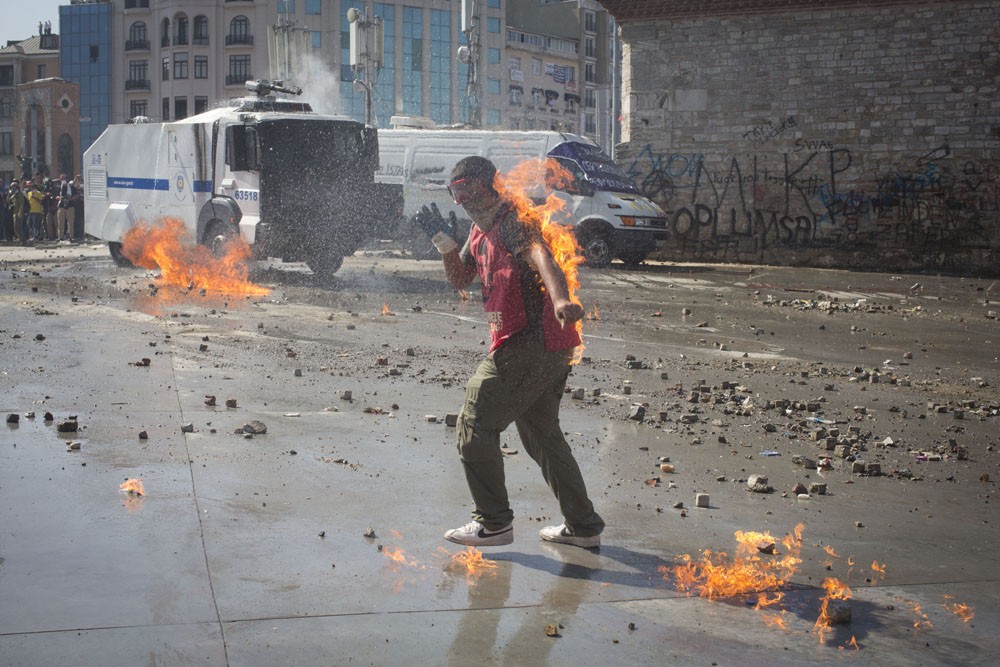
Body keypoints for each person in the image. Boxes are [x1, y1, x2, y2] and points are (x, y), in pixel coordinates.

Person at [415, 155, 604, 549]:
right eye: (458, 194)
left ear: (492, 186)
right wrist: (443, 242)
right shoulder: (478, 232)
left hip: (531, 340)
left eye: (471, 190)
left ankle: (493, 522)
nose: (466, 200)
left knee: (474, 420)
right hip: (547, 346)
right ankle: (583, 526)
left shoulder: (514, 221)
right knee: (541, 435)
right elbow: (460, 278)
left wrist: (561, 299)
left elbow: (542, 256)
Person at [6, 179, 27, 243]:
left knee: (18, 228)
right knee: (16, 228)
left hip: (19, 213)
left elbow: (22, 203)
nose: (13, 188)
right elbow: (8, 201)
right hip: (14, 213)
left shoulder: (19, 194)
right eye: (12, 187)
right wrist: (9, 194)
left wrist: (20, 212)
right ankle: (21, 240)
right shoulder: (13, 195)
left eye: (14, 187)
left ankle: (23, 240)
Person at [57, 173, 76, 241]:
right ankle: (60, 237)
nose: (64, 180)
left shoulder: (71, 186)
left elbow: (76, 195)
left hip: (70, 206)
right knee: (60, 223)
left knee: (70, 223)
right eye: (62, 179)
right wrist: (60, 197)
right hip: (61, 206)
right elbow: (55, 196)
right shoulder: (59, 187)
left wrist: (70, 198)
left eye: (65, 179)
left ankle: (71, 237)